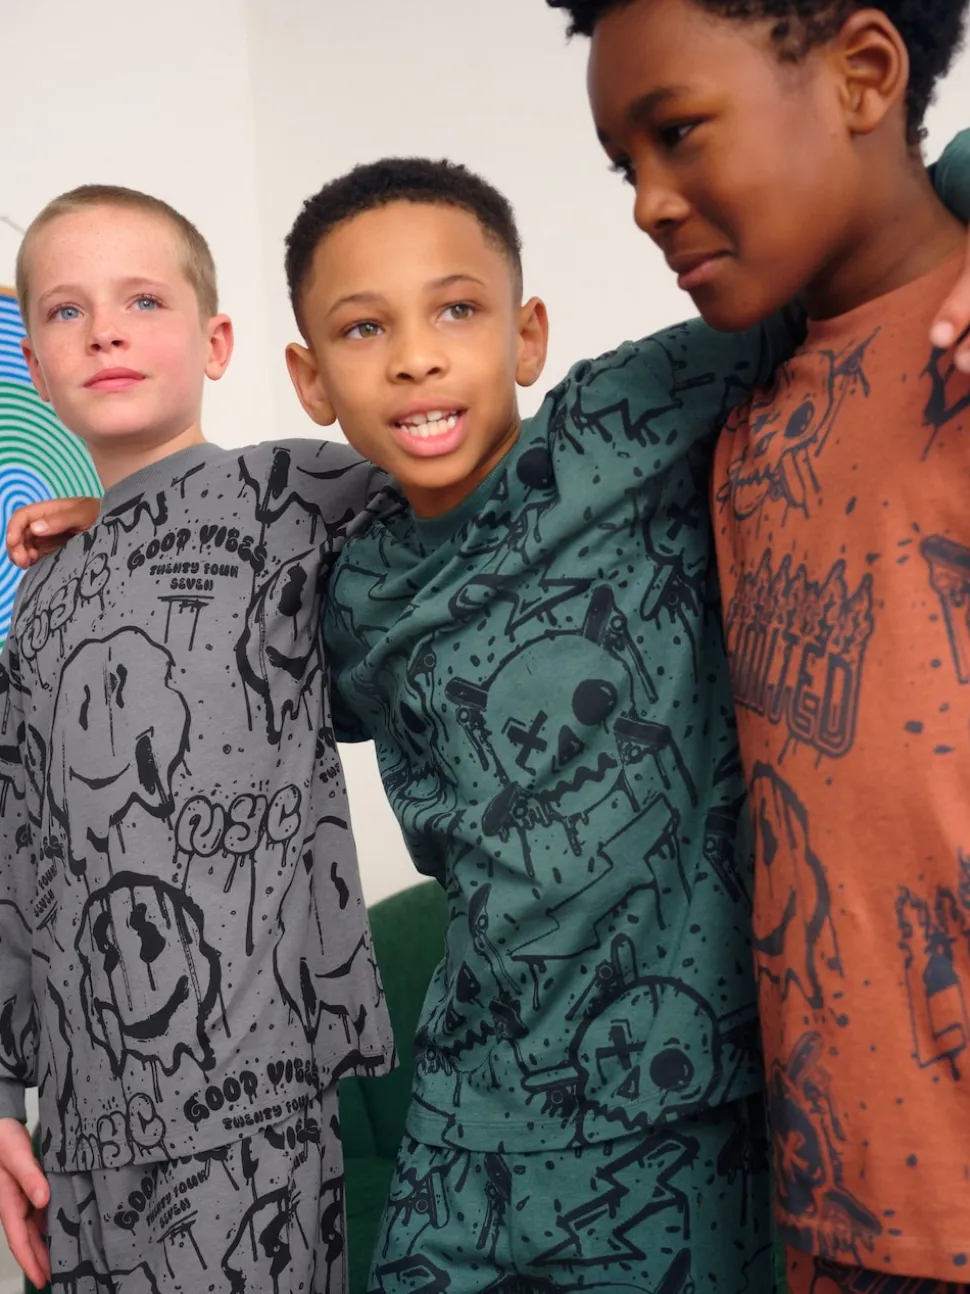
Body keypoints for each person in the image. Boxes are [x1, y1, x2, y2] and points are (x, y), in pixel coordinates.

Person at [12, 147, 970, 1289]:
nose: (416, 356)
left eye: (456, 310)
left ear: (526, 336)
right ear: (312, 380)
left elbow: (877, 235)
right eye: (365, 329)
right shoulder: (351, 581)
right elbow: (185, 674)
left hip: (672, 1097)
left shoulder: (617, 425)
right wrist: (120, 523)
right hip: (461, 1107)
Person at [559, 0, 970, 1288]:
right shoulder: (742, 424)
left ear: (861, 74)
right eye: (625, 167)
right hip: (838, 1190)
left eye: (679, 132)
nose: (648, 203)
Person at [0, 184, 393, 1294]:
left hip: (254, 1109)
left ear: (216, 343)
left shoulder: (292, 490)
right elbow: (17, 853)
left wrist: (133, 510)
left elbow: (456, 485)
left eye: (142, 301)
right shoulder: (38, 597)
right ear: (34, 367)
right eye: (67, 311)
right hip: (80, 1131)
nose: (105, 330)